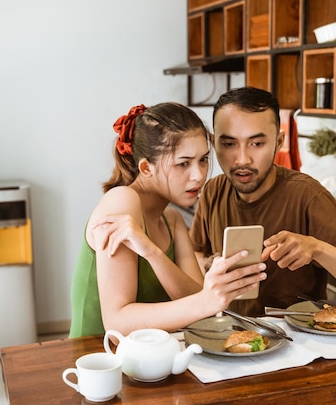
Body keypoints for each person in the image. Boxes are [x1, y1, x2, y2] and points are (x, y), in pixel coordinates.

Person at [69, 102, 266, 337]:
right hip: (97, 362)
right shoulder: (121, 202)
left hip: (148, 362)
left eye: (203, 160)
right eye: (183, 163)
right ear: (146, 168)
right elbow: (117, 321)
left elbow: (198, 306)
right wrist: (207, 300)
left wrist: (153, 253)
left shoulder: (171, 219)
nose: (198, 175)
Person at [189, 87, 336, 317]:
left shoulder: (308, 195)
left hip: (296, 343)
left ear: (279, 141)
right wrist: (211, 265)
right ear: (214, 142)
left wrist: (317, 248)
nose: (242, 159)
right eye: (229, 144)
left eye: (257, 143)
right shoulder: (213, 190)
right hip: (229, 335)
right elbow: (196, 251)